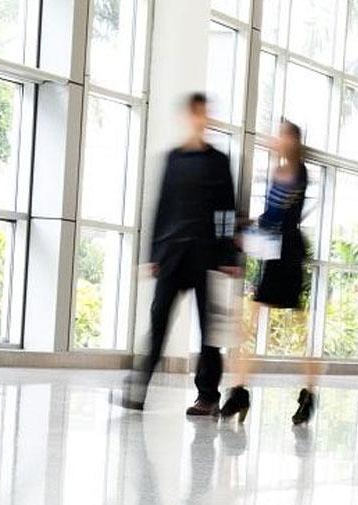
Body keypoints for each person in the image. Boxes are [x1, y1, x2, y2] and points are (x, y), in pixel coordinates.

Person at [116, 93, 240, 415]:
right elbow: (161, 207)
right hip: (172, 256)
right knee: (158, 322)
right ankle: (139, 388)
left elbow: (227, 212)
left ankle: (207, 396)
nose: (201, 119)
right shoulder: (173, 159)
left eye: (204, 113)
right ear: (188, 117)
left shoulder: (219, 161)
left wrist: (228, 257)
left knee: (209, 332)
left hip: (206, 257)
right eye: (196, 113)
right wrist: (152, 255)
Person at [218, 120, 319, 425]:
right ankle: (239, 391)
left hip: (288, 252)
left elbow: (279, 213)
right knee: (250, 323)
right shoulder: (279, 171)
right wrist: (249, 228)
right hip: (274, 252)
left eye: (281, 136)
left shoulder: (297, 173)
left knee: (298, 329)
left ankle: (308, 393)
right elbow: (271, 214)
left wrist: (252, 229)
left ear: (291, 141)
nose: (274, 140)